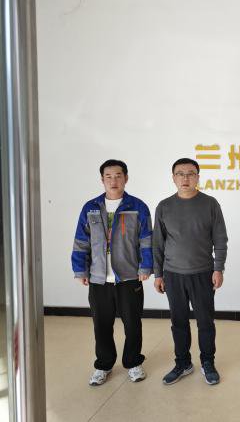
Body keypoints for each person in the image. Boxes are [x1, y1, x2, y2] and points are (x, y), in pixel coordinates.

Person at [71, 159, 153, 386]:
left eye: (118, 176)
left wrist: (146, 267)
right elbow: (81, 241)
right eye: (108, 176)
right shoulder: (90, 207)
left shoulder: (138, 206)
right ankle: (104, 365)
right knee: (101, 325)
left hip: (129, 277)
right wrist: (80, 269)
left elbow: (147, 240)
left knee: (132, 324)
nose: (113, 180)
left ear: (126, 178)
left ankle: (133, 362)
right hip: (99, 278)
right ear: (102, 179)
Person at [153, 157, 228, 385]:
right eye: (180, 174)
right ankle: (183, 363)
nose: (185, 178)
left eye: (190, 174)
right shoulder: (164, 206)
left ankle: (208, 362)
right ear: (173, 178)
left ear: (198, 177)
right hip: (173, 274)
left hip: (203, 273)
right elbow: (158, 244)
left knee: (205, 322)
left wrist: (218, 268)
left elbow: (220, 239)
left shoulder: (210, 204)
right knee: (179, 322)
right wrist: (158, 274)